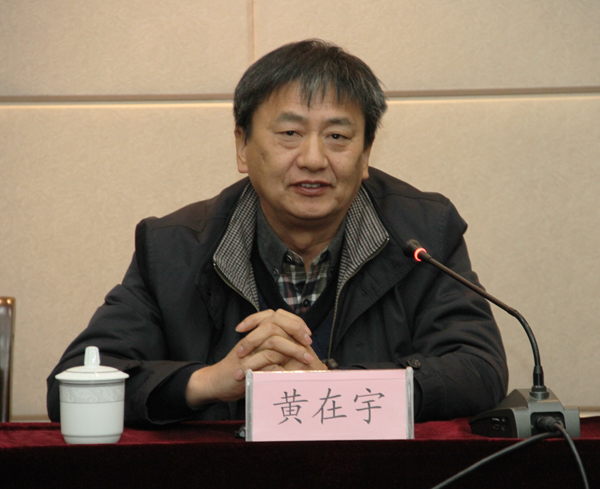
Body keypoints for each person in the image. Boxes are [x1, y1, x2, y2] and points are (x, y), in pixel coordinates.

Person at [47, 40, 508, 425]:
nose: (313, 159)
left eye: (337, 136)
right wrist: (210, 381)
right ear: (243, 147)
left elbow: (479, 370)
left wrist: (333, 388)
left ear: (367, 153)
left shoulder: (422, 234)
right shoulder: (174, 248)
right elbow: (72, 387)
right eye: (289, 133)